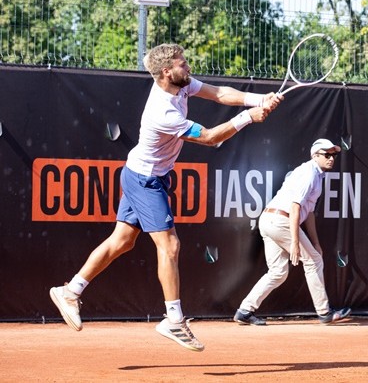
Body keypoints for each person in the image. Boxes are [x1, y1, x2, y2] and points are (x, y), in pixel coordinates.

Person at [49, 43, 283, 352]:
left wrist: (257, 99)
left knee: (122, 241)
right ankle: (173, 319)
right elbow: (212, 138)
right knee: (170, 245)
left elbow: (218, 94)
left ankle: (70, 290)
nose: (188, 67)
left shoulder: (181, 85)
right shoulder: (164, 112)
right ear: (166, 72)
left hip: (147, 174)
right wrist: (249, 118)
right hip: (144, 179)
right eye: (182, 64)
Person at [234, 138, 351, 326]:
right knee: (313, 261)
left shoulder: (316, 175)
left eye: (334, 155)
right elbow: (295, 207)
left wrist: (316, 242)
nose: (331, 158)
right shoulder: (309, 173)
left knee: (278, 272)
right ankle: (325, 312)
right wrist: (295, 242)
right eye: (327, 154)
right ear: (315, 156)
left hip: (269, 220)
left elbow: (309, 213)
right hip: (282, 220)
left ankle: (245, 311)